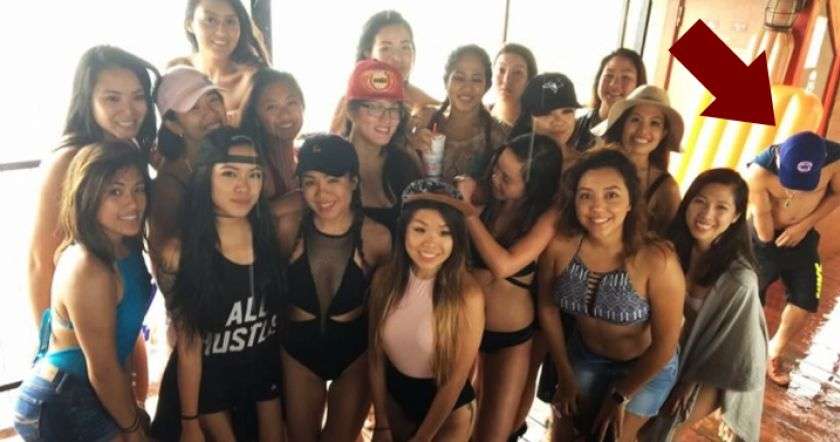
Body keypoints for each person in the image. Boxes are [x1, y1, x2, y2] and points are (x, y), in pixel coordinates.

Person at [25, 44, 158, 404]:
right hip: (75, 350)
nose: (128, 110)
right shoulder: (69, 160)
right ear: (88, 100)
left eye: (138, 97)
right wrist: (53, 351)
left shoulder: (126, 152)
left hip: (116, 315)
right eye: (112, 98)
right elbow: (41, 263)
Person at [538, 148, 684, 441]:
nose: (597, 207)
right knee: (562, 434)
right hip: (585, 357)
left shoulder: (657, 260)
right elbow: (547, 308)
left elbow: (665, 344)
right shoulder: (560, 247)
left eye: (611, 195)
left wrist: (620, 395)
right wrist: (564, 373)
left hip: (646, 367)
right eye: (585, 195)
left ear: (631, 201)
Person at [150, 128, 285, 441]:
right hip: (203, 388)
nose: (243, 187)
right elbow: (189, 347)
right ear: (205, 177)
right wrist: (189, 421)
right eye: (229, 173)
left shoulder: (270, 235)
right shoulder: (180, 253)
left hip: (261, 379)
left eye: (254, 175)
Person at [15, 142, 153, 442]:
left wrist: (133, 407)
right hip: (62, 396)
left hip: (92, 387)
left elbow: (121, 344)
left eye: (139, 189)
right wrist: (132, 430)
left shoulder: (124, 245)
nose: (132, 203)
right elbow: (102, 369)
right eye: (115, 192)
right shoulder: (88, 267)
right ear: (88, 196)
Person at [272, 134, 391, 441]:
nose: (321, 192)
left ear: (354, 181)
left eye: (333, 180)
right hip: (298, 353)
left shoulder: (377, 238)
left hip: (354, 356)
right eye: (310, 182)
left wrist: (383, 418)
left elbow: (385, 318)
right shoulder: (289, 227)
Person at [643, 168, 767, 441]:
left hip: (716, 363)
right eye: (700, 201)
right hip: (670, 349)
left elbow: (731, 347)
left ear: (736, 216)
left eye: (721, 207)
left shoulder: (740, 280)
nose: (707, 214)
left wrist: (689, 383)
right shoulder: (668, 250)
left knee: (663, 428)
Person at [457, 134, 562, 441]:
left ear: (534, 186)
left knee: (493, 434)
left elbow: (505, 265)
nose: (495, 179)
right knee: (449, 423)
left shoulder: (548, 216)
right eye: (496, 169)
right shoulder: (486, 195)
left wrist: (468, 213)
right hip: (463, 327)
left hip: (510, 338)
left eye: (507, 178)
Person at [368, 178, 484, 441]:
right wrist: (381, 422)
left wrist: (422, 438)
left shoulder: (468, 295)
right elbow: (375, 355)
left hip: (448, 413)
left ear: (456, 238)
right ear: (403, 231)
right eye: (420, 230)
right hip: (395, 403)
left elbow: (457, 377)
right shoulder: (383, 279)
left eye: (444, 233)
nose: (431, 243)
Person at [745, 131, 840, 386]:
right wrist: (773, 248)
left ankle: (774, 352)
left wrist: (802, 227)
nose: (795, 189)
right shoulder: (759, 172)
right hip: (763, 236)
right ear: (779, 159)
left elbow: (837, 194)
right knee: (748, 295)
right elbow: (763, 223)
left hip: (802, 235)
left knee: (807, 296)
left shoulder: (835, 160)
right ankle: (744, 351)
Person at [150, 66, 226, 259]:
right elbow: (163, 260)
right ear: (173, 125)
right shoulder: (169, 188)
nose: (211, 113)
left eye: (213, 100)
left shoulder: (232, 148)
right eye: (194, 108)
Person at [342, 59, 423, 232]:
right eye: (375, 108)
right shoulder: (330, 162)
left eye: (394, 109)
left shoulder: (404, 163)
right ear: (351, 111)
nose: (386, 119)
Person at [593, 85, 683, 236]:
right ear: (622, 124)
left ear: (663, 133)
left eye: (654, 123)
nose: (643, 130)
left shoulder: (666, 188)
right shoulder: (593, 168)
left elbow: (670, 240)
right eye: (635, 120)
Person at [330, 10, 438, 135]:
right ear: (368, 53)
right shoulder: (351, 103)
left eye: (405, 47)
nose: (397, 57)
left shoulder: (426, 106)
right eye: (385, 48)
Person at [411, 45, 508, 182]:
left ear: (486, 86)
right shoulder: (425, 122)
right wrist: (411, 148)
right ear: (446, 82)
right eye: (459, 77)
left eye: (476, 79)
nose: (467, 87)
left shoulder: (500, 135)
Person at [170, 0, 270, 126]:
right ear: (189, 24)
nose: (221, 32)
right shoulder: (176, 70)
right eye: (210, 20)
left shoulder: (253, 79)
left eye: (230, 21)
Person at [241, 68, 305, 199]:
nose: (285, 114)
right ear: (256, 117)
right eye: (272, 107)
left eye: (291, 103)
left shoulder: (305, 155)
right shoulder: (255, 165)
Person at [569, 48, 647, 151]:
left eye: (625, 78)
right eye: (608, 75)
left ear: (639, 85)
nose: (614, 85)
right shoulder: (574, 127)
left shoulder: (640, 133)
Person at [509, 73, 583, 169]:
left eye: (567, 111)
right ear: (528, 118)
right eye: (546, 113)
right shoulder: (508, 162)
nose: (558, 121)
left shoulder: (585, 165)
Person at [489, 43, 538, 128]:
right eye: (501, 70)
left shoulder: (538, 128)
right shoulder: (475, 117)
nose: (506, 80)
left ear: (529, 81)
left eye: (517, 73)